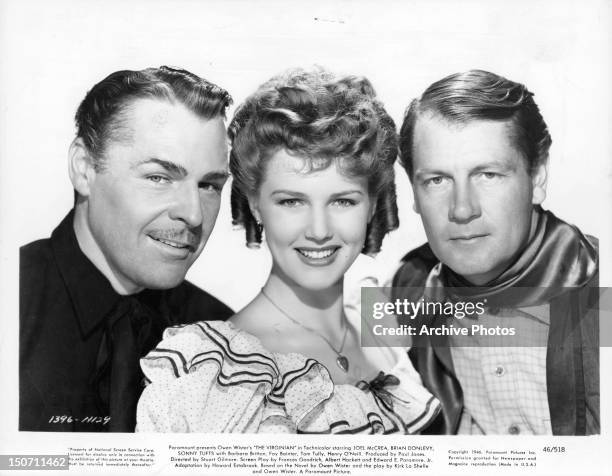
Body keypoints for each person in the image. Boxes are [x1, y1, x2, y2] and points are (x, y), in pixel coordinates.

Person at [137, 68, 440, 433]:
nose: (319, 231)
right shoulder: (213, 372)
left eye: (343, 201)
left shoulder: (381, 331)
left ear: (372, 205)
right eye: (292, 202)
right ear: (254, 205)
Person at [20, 66, 234, 432]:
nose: (194, 214)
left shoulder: (222, 335)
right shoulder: (14, 300)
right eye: (159, 177)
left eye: (210, 185)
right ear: (84, 169)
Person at [392, 70, 599, 435]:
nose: (462, 209)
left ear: (537, 177)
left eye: (487, 174)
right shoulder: (407, 289)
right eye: (437, 180)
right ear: (413, 192)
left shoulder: (599, 290)